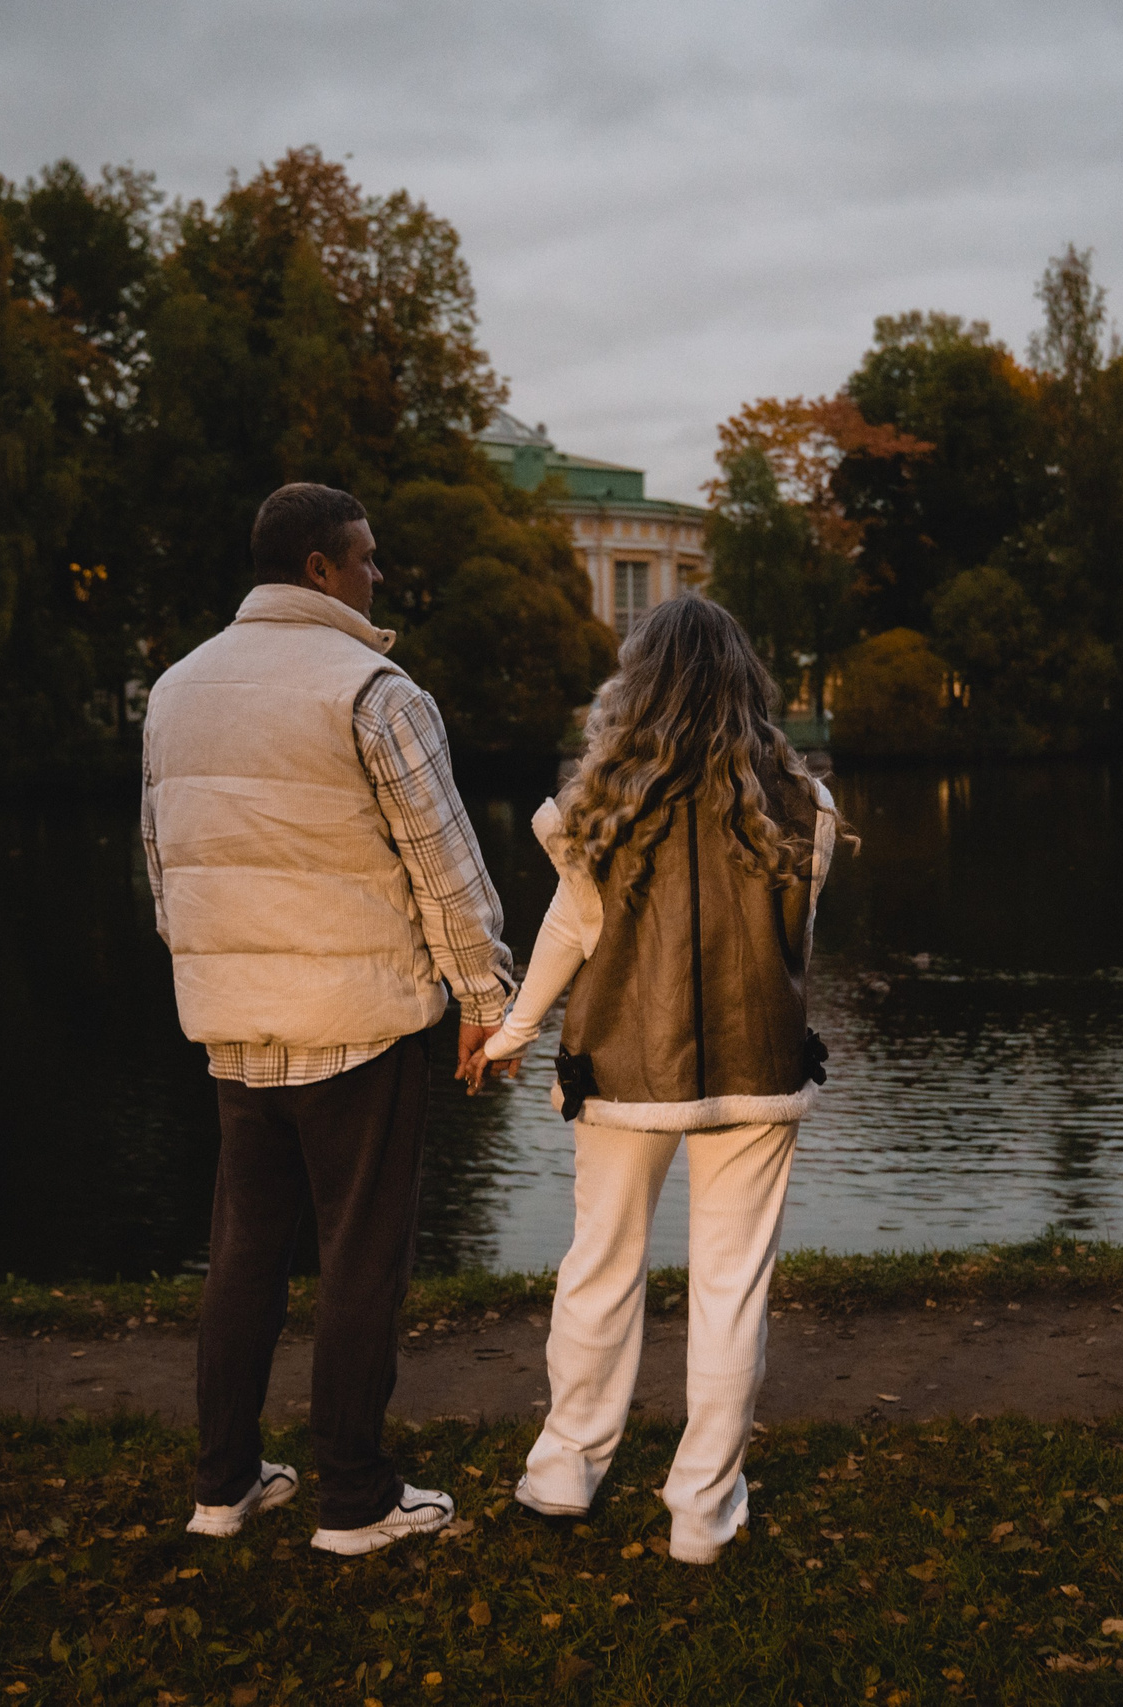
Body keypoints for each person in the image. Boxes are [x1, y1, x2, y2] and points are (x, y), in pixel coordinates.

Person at [140, 482, 516, 1556]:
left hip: (234, 1025)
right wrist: (484, 999)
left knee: (243, 1254)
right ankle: (353, 1498)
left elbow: (164, 868)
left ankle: (223, 1487)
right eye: (367, 557)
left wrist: (214, 978)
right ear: (319, 567)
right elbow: (447, 874)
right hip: (357, 1023)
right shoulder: (375, 690)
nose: (378, 575)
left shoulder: (174, 689)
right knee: (361, 1258)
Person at [471, 596, 840, 1564]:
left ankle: (563, 1474)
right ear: (746, 682)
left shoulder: (599, 805)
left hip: (621, 1068)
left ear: (639, 684)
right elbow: (794, 949)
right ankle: (702, 1513)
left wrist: (509, 1034)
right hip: (760, 1066)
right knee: (732, 1287)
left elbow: (568, 933)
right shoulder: (809, 805)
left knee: (599, 1265)